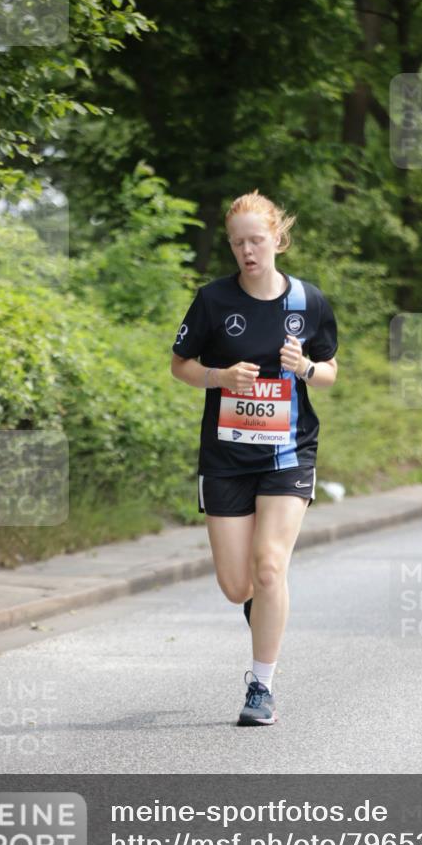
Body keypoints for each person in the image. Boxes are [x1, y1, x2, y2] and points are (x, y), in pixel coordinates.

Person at [171, 190, 338, 725]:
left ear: (277, 239)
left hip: (288, 452)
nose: (247, 251)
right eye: (238, 242)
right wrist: (218, 377)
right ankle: (259, 605)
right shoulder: (213, 300)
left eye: (256, 240)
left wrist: (306, 368)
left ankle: (261, 688)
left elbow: (331, 369)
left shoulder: (307, 302)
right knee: (236, 586)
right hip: (225, 458)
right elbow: (180, 364)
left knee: (270, 567)